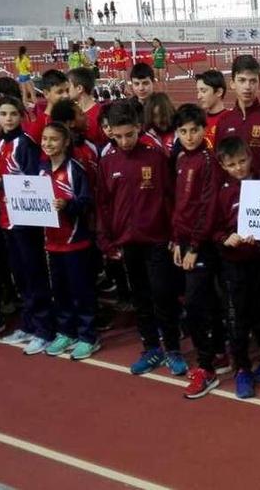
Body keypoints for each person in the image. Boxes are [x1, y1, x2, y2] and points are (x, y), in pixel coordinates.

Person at [95, 101, 185, 376]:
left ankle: (172, 349)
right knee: (141, 299)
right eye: (118, 136)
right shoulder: (108, 162)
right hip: (127, 242)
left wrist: (174, 234)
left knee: (163, 295)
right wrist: (107, 240)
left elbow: (171, 198)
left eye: (129, 135)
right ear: (110, 132)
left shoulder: (156, 157)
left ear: (138, 127)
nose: (124, 141)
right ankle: (150, 348)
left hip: (157, 240)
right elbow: (103, 204)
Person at [0, 96, 52, 352]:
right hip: (6, 219)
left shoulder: (25, 144)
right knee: (20, 276)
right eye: (3, 114)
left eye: (13, 114)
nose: (8, 118)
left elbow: (33, 183)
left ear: (21, 116)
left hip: (26, 221)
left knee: (34, 275)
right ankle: (29, 324)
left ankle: (44, 329)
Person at [210, 136, 260, 399]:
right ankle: (242, 368)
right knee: (237, 321)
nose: (239, 168)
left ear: (250, 158)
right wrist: (225, 238)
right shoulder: (222, 191)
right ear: (223, 164)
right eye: (232, 164)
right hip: (234, 266)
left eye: (242, 161)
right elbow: (215, 228)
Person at [168, 104, 223, 398]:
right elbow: (179, 204)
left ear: (204, 130)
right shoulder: (179, 159)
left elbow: (208, 206)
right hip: (185, 242)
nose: (189, 136)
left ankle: (206, 367)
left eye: (194, 130)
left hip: (202, 245)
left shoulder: (208, 161)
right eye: (183, 131)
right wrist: (177, 240)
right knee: (206, 301)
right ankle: (216, 351)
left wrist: (194, 247)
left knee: (195, 303)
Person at [35, 122, 97, 359]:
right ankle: (66, 331)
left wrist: (67, 205)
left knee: (80, 290)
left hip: (75, 242)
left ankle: (88, 335)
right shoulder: (40, 169)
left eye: (53, 139)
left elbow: (86, 202)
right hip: (52, 241)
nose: (48, 144)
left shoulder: (75, 169)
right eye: (44, 139)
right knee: (59, 291)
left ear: (66, 142)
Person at [215, 55, 260, 174]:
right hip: (232, 191)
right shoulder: (224, 121)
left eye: (253, 81)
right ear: (232, 83)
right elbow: (218, 162)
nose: (247, 87)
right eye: (242, 80)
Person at [67, 67, 103, 147]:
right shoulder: (70, 112)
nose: (66, 91)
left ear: (79, 88)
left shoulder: (101, 113)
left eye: (68, 87)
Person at [195, 70, 228, 145]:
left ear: (219, 92)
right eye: (198, 91)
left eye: (203, 91)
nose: (198, 96)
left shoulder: (230, 120)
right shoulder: (199, 120)